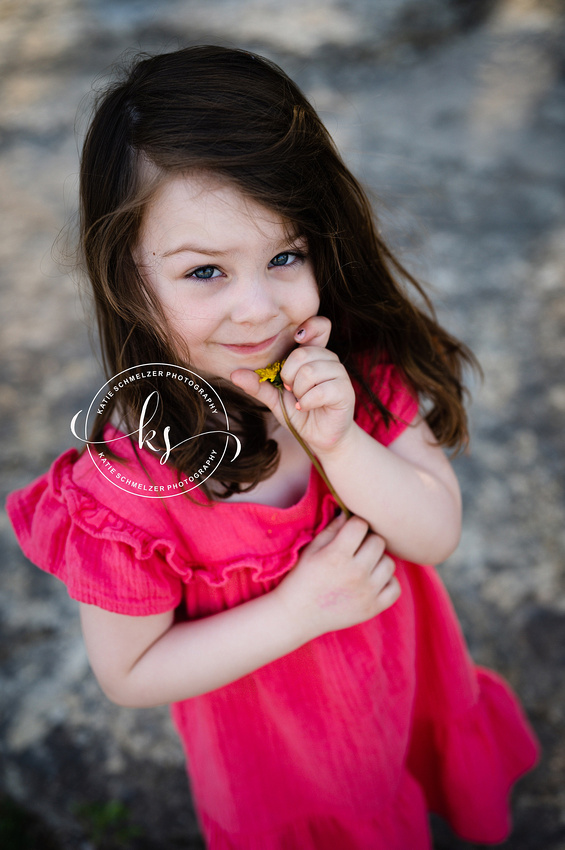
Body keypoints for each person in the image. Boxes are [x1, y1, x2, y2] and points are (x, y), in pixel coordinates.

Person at [6, 45, 539, 850]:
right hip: (284, 776)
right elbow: (130, 674)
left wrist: (341, 441)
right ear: (127, 279)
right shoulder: (127, 485)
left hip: (401, 696)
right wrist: (297, 611)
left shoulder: (352, 374)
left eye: (284, 256)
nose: (258, 309)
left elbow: (433, 535)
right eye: (205, 273)